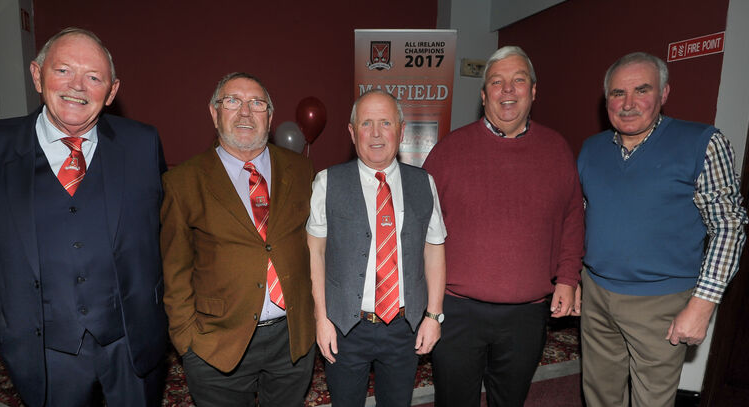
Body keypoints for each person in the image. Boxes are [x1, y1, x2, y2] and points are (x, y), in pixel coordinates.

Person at [0, 27, 168, 406]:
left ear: (112, 91)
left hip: (129, 340)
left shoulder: (143, 143)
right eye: (63, 70)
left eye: (94, 77)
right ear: (37, 75)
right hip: (44, 348)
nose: (78, 87)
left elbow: (161, 233)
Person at [577, 52, 747, 407]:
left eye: (641, 90)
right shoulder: (591, 150)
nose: (627, 104)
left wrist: (702, 305)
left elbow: (729, 226)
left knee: (652, 401)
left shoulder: (702, 143)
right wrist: (577, 278)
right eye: (617, 93)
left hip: (661, 302)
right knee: (599, 395)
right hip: (597, 292)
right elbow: (585, 216)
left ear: (664, 93)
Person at [422, 45, 584, 407]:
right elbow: (421, 227)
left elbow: (573, 215)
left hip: (527, 314)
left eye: (518, 80)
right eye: (497, 82)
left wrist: (569, 278)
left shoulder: (557, 150)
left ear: (534, 91)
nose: (507, 90)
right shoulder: (449, 152)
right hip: (457, 310)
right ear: (484, 95)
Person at [160, 72, 316, 406]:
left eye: (257, 103)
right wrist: (186, 341)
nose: (245, 112)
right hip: (216, 344)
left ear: (270, 117)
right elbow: (174, 269)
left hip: (292, 339)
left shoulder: (302, 172)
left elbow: (316, 248)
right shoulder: (182, 182)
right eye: (232, 101)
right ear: (214, 113)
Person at [307, 90, 446, 406]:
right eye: (366, 123)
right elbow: (315, 253)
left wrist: (433, 316)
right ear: (352, 132)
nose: (376, 133)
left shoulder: (424, 183)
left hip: (403, 326)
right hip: (345, 327)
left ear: (401, 128)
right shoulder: (327, 182)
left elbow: (434, 250)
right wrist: (321, 319)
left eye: (385, 122)